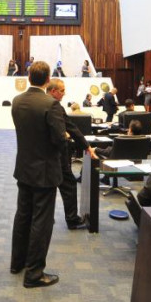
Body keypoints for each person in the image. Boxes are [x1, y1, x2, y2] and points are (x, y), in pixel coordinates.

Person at [10, 61, 66, 288]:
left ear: (29, 77)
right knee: (42, 221)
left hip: (24, 168)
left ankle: (17, 263)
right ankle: (34, 274)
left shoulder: (17, 101)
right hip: (44, 171)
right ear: (48, 79)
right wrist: (64, 138)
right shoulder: (51, 104)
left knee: (23, 216)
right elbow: (59, 139)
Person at [46, 78, 97, 230]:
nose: (64, 93)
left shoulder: (37, 103)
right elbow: (70, 128)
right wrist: (87, 147)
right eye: (62, 90)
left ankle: (46, 218)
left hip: (40, 156)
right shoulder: (54, 105)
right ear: (53, 91)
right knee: (68, 185)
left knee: (47, 188)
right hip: (57, 155)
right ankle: (72, 220)